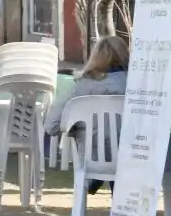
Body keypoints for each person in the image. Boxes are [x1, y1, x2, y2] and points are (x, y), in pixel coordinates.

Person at [44, 36, 129, 195]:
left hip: (92, 160)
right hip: (134, 159)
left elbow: (51, 126)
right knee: (118, 143)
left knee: (103, 144)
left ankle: (95, 178)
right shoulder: (137, 86)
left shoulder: (81, 87)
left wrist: (75, 128)